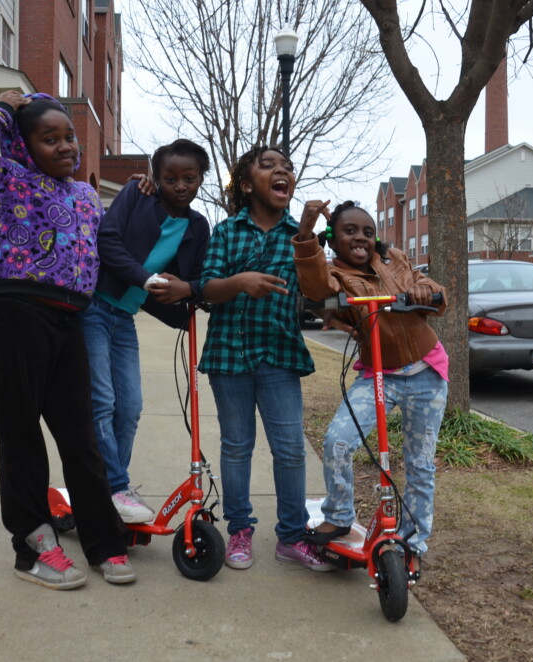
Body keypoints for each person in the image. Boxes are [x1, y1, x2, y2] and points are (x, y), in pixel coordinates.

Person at [0, 90, 134, 589]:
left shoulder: (84, 195)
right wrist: (5, 111)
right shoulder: (6, 177)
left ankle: (102, 540)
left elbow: (107, 258)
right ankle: (33, 545)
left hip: (69, 320)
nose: (65, 146)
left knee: (81, 436)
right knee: (21, 435)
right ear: (23, 146)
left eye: (69, 136)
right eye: (48, 139)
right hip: (14, 312)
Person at [291, 199, 449, 565]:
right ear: (333, 239)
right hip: (379, 374)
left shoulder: (393, 258)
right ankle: (340, 517)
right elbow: (315, 288)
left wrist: (426, 290)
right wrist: (305, 232)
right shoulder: (336, 275)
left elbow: (428, 287)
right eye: (349, 231)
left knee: (420, 464)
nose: (360, 238)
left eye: (367, 231)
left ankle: (413, 543)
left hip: (427, 373)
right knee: (338, 440)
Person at [198, 145, 333, 572]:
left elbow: (316, 293)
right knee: (237, 447)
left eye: (288, 167)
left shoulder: (300, 235)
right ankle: (240, 529)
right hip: (228, 355)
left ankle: (291, 537)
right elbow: (205, 288)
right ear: (245, 184)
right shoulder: (226, 231)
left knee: (291, 449)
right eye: (269, 166)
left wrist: (308, 232)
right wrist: (239, 281)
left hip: (278, 355)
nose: (282, 172)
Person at [81, 139, 211, 523]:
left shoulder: (197, 227)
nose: (180, 186)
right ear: (157, 177)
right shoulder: (136, 196)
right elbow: (107, 241)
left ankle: (112, 486)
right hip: (94, 308)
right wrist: (146, 277)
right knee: (102, 402)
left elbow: (193, 278)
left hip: (125, 317)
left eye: (189, 178)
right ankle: (117, 487)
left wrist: (185, 298)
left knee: (132, 407)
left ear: (201, 178)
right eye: (170, 178)